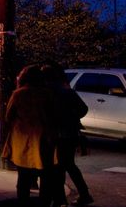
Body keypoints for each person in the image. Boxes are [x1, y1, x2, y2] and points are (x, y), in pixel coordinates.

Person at [2, 64, 58, 206]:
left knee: (23, 177)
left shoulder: (18, 94)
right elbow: (53, 115)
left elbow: (8, 116)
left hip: (22, 139)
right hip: (43, 138)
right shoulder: (47, 93)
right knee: (46, 176)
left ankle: (23, 202)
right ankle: (45, 203)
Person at [42, 62, 92, 206]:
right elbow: (83, 109)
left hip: (56, 134)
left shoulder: (47, 93)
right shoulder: (67, 91)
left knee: (58, 167)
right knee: (68, 165)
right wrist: (72, 117)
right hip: (70, 133)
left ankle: (61, 198)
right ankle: (82, 194)